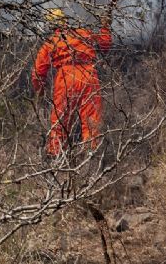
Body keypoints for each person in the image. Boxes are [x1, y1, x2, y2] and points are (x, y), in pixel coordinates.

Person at [32, 9, 112, 156]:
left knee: (60, 121)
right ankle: (91, 156)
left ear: (50, 26)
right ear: (66, 21)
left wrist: (40, 90)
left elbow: (38, 72)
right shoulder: (82, 32)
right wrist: (105, 26)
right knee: (92, 121)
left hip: (65, 78)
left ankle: (55, 157)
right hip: (88, 76)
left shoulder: (51, 42)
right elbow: (105, 45)